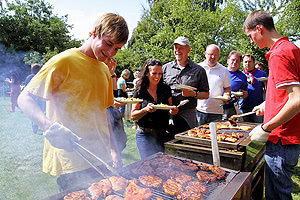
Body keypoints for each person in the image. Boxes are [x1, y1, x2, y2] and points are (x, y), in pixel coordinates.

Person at [17, 13, 129, 191]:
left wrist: (114, 149)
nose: (110, 52)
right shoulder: (64, 61)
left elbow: (106, 111)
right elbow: (24, 98)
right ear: (94, 32)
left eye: (117, 49)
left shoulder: (104, 69)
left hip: (102, 157)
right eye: (108, 44)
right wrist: (47, 125)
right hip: (73, 159)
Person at [244, 10, 300, 200]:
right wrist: (267, 104)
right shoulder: (291, 48)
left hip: (281, 139)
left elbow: (297, 100)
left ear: (259, 29)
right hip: (287, 138)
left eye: (250, 35)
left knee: (277, 197)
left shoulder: (279, 54)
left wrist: (265, 127)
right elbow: (287, 94)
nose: (251, 41)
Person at [131, 60, 179, 159]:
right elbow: (133, 115)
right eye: (154, 73)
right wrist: (145, 110)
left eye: (160, 73)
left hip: (162, 134)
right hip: (144, 135)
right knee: (147, 166)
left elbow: (170, 109)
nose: (158, 76)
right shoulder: (140, 91)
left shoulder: (165, 89)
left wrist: (172, 111)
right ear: (147, 74)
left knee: (162, 165)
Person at [163, 36, 209, 135]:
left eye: (181, 48)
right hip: (167, 114)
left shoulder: (199, 70)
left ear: (188, 50)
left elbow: (206, 94)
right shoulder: (165, 68)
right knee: (166, 145)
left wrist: (194, 94)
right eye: (176, 48)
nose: (177, 51)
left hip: (187, 116)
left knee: (185, 144)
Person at [197, 44, 231, 125]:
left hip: (217, 111)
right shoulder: (198, 68)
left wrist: (226, 96)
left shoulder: (224, 70)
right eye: (210, 54)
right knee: (198, 134)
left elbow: (227, 88)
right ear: (205, 54)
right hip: (199, 110)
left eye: (216, 55)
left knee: (215, 135)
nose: (213, 57)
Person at [239, 53, 268, 123]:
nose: (247, 64)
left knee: (257, 127)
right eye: (245, 62)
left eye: (249, 62)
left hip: (258, 107)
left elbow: (267, 89)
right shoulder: (240, 75)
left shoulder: (262, 74)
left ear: (254, 63)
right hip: (243, 107)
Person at [223, 51, 248, 119]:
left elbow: (245, 94)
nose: (234, 62)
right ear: (228, 60)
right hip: (214, 106)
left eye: (237, 61)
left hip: (230, 107)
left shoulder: (242, 76)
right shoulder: (220, 71)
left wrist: (243, 94)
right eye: (233, 60)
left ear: (240, 63)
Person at [24, 63, 46, 134]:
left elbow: (25, 88)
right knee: (43, 112)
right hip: (41, 97)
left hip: (32, 98)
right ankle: (43, 126)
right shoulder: (42, 77)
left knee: (34, 113)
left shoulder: (29, 77)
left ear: (32, 70)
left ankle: (35, 126)